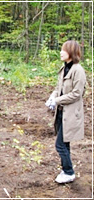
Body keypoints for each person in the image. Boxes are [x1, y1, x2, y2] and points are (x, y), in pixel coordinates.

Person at [45, 40, 86, 184]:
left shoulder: (78, 70)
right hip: (62, 112)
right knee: (65, 143)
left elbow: (77, 94)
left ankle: (69, 172)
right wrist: (52, 96)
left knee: (60, 144)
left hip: (71, 113)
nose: (61, 52)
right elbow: (59, 88)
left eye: (63, 50)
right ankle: (66, 169)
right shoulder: (64, 69)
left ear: (71, 52)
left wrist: (57, 100)